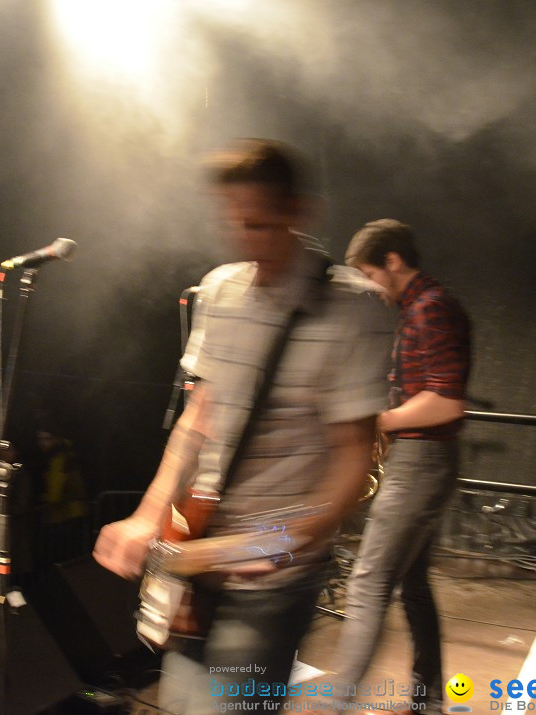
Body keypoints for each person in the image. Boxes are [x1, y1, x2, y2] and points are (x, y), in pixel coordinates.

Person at [93, 139, 393, 714]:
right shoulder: (219, 290)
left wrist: (260, 545)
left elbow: (353, 466)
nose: (241, 241)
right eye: (230, 223)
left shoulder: (358, 308)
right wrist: (146, 517)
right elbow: (196, 422)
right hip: (198, 567)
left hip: (275, 583)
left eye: (257, 224)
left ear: (299, 213)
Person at [330, 218, 472, 713]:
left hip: (422, 462)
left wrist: (380, 422)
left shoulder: (432, 309)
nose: (369, 287)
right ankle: (429, 697)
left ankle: (334, 702)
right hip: (422, 460)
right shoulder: (419, 309)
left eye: (370, 274)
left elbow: (447, 402)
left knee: (367, 582)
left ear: (393, 262)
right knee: (413, 584)